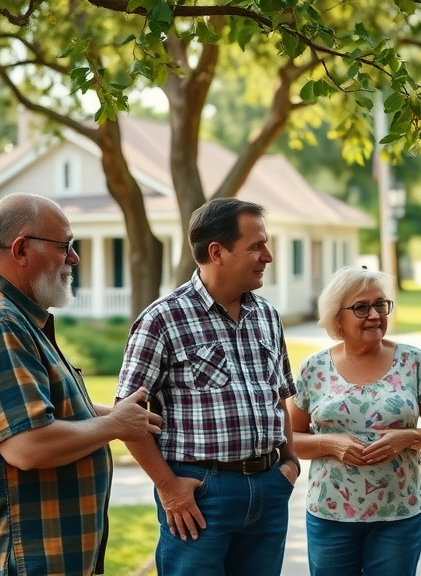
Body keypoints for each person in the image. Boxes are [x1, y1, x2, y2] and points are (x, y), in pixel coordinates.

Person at [0, 193, 163, 576]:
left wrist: (122, 416)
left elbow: (42, 413)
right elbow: (27, 446)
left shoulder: (9, 316)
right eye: (65, 246)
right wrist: (116, 426)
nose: (73, 258)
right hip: (17, 557)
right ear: (21, 249)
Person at [114, 197, 299, 576]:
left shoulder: (266, 315)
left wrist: (290, 464)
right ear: (217, 252)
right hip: (200, 495)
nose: (268, 256)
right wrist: (168, 487)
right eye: (256, 246)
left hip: (269, 486)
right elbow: (125, 417)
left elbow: (280, 398)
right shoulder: (162, 319)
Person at [288, 267, 421, 576]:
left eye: (380, 304)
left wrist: (409, 438)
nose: (374, 315)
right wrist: (328, 443)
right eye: (361, 307)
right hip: (330, 514)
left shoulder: (412, 361)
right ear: (338, 318)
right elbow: (289, 438)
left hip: (398, 514)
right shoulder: (315, 367)